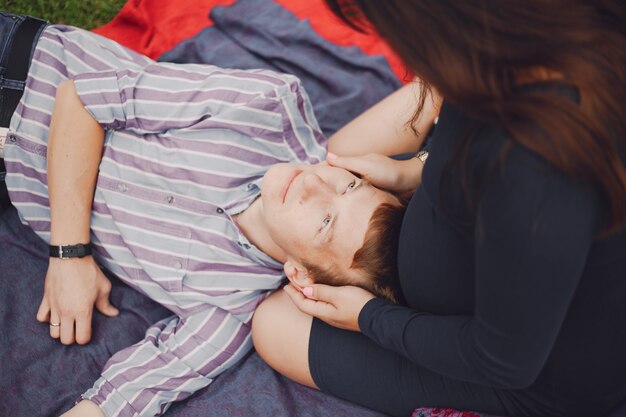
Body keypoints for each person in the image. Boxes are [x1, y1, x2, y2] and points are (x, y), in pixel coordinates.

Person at [0, 13, 405, 417]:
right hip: (22, 73)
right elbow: (80, 98)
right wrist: (71, 255)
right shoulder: (268, 107)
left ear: (301, 276)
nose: (316, 184)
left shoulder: (228, 315)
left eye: (325, 222)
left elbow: (119, 401)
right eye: (350, 184)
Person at [252, 2, 626, 417]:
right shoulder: (508, 51)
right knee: (339, 155)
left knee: (274, 326)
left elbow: (504, 360)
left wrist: (368, 317)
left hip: (540, 378)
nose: (400, 51)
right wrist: (417, 168)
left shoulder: (536, 169)